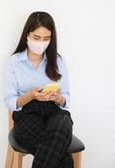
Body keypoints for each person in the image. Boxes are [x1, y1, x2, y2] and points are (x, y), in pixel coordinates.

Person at [4, 11, 73, 168]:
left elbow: (66, 98)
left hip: (54, 111)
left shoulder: (58, 61)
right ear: (27, 34)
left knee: (62, 126)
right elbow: (10, 101)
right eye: (37, 38)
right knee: (62, 157)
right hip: (27, 113)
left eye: (46, 39)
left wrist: (58, 98)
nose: (41, 42)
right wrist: (30, 96)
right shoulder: (13, 63)